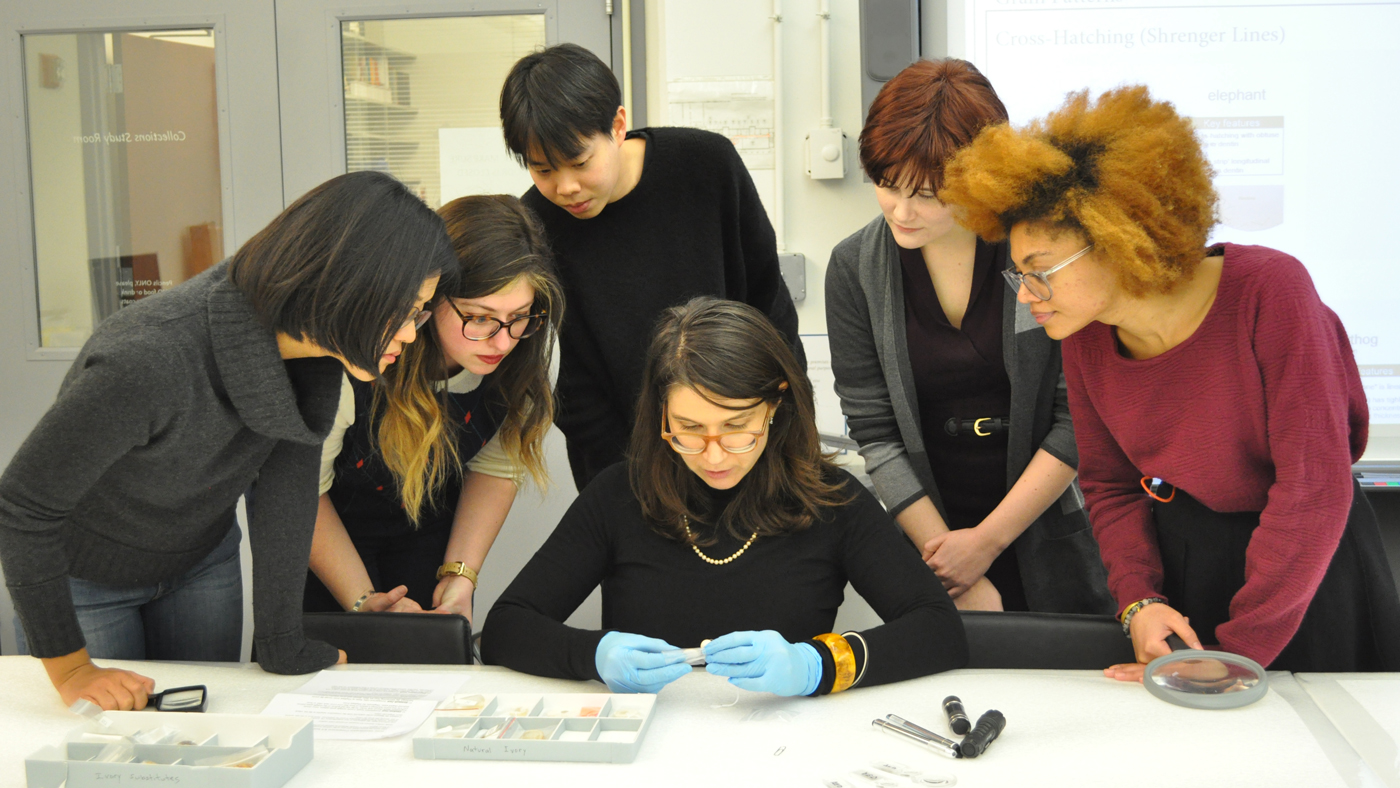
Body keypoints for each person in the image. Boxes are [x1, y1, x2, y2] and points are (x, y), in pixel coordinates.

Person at [938, 85, 1400, 675]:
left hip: (1308, 571)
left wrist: (1235, 657)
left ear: (1118, 239)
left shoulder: (1271, 292)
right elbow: (1108, 485)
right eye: (1018, 275)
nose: (1026, 295)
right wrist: (1140, 601)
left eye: (1040, 272)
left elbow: (1312, 488)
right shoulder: (1083, 334)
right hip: (1188, 565)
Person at [0, 170, 451, 710]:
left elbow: (286, 492)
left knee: (204, 735)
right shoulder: (148, 360)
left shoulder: (316, 352)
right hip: (86, 579)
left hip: (200, 564)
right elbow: (22, 508)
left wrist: (283, 642)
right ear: (344, 284)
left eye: (419, 312)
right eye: (403, 312)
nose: (409, 332)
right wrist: (72, 669)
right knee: (103, 747)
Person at [482, 297, 966, 696]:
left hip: (788, 743)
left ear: (775, 406)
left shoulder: (831, 500)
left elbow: (939, 631)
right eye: (690, 429)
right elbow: (506, 628)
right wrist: (593, 654)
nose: (714, 457)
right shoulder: (619, 494)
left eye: (736, 428)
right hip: (652, 744)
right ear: (661, 414)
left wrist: (817, 665)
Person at [826, 59, 1112, 615]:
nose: (901, 211)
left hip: (1045, 519)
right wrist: (950, 565)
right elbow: (874, 430)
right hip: (928, 530)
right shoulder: (855, 267)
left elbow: (1076, 415)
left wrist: (987, 543)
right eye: (886, 184)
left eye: (929, 195)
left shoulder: (1039, 249)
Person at [500, 43, 803, 491]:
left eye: (580, 162)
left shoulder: (706, 165)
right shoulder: (535, 227)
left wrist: (782, 427)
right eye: (542, 170)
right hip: (624, 472)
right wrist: (635, 476)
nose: (566, 187)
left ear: (617, 126)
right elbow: (563, 379)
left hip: (745, 448)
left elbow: (767, 303)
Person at [306, 194, 563, 621]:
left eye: (519, 315)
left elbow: (496, 468)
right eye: (479, 317)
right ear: (429, 296)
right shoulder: (358, 362)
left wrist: (461, 575)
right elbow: (302, 494)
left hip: (429, 535)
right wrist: (362, 600)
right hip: (325, 540)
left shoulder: (519, 353)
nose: (503, 342)